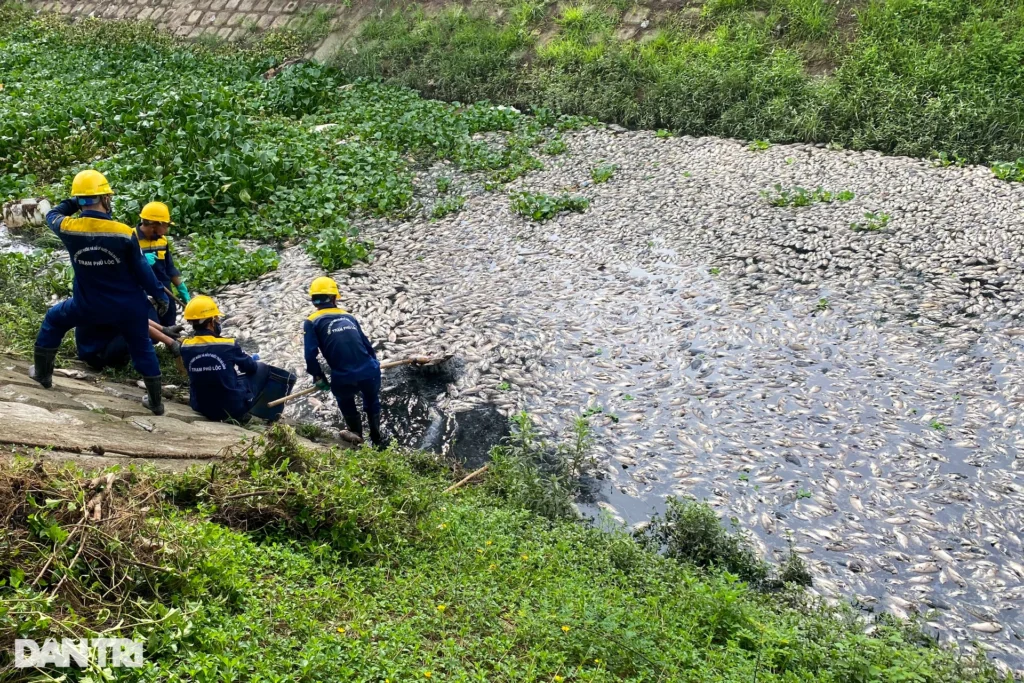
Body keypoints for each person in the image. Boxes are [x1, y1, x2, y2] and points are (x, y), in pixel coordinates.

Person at [30, 169, 170, 415]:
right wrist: (160, 296)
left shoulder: (68, 227)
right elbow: (143, 273)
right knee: (141, 348)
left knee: (54, 320)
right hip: (128, 308)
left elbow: (52, 213)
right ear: (105, 198)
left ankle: (42, 375)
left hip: (87, 305)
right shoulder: (123, 232)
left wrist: (73, 202)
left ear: (80, 200)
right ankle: (156, 402)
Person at [179, 295, 296, 423]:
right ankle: (262, 412)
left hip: (201, 407)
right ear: (211, 322)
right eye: (217, 318)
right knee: (262, 368)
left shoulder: (185, 346)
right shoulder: (228, 344)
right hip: (232, 408)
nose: (218, 321)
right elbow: (251, 367)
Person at [303, 276, 389, 448]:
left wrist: (318, 377)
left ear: (314, 300)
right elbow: (366, 345)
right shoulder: (349, 316)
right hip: (370, 372)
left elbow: (310, 355)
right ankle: (377, 439)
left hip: (343, 377)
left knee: (346, 401)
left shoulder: (311, 321)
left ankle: (356, 435)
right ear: (334, 298)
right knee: (372, 402)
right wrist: (375, 365)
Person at [136, 201, 190, 326]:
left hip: (163, 286)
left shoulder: (163, 241)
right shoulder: (130, 237)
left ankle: (170, 343)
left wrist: (182, 289)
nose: (166, 230)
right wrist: (141, 259)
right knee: (150, 322)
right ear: (154, 224)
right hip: (142, 288)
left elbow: (169, 267)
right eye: (165, 225)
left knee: (170, 319)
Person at [76, 320, 182, 372]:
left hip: (94, 347)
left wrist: (164, 329)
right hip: (97, 356)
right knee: (133, 329)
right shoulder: (106, 303)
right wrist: (171, 343)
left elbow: (136, 315)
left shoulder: (105, 296)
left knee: (132, 318)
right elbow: (135, 323)